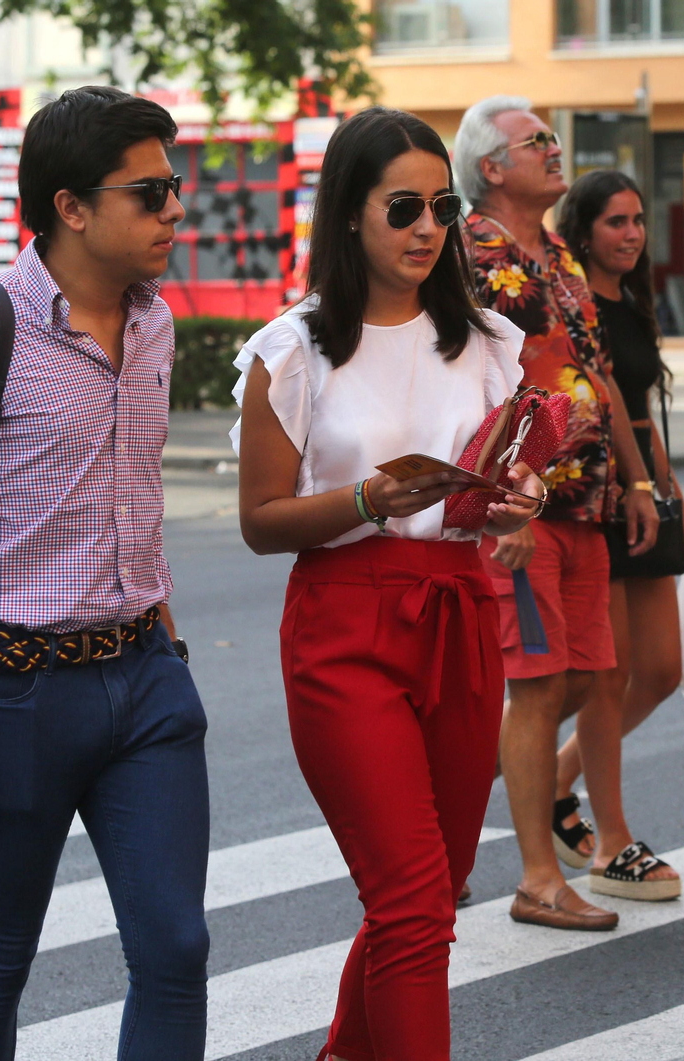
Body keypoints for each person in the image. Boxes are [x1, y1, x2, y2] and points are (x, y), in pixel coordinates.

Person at [0, 87, 211, 1060]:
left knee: (176, 945)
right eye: (149, 193)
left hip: (144, 679)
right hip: (13, 691)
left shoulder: (156, 324)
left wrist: (170, 648)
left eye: (173, 187)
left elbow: (131, 496)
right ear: (70, 205)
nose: (174, 211)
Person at [232, 105, 541, 1061]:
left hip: (460, 616)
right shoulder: (293, 350)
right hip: (344, 632)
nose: (426, 228)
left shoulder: (488, 342)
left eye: (441, 205)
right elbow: (259, 522)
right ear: (350, 212)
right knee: (410, 906)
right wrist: (368, 497)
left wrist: (516, 509)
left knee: (431, 894)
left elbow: (501, 493)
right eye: (402, 205)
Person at [454, 95, 659, 931]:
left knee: (585, 676)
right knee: (538, 685)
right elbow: (465, 379)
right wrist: (503, 500)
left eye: (551, 137)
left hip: (590, 503)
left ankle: (453, 810)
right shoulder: (468, 250)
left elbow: (600, 376)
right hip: (523, 508)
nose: (552, 148)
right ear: (491, 167)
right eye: (534, 140)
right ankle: (539, 876)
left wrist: (640, 483)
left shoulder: (564, 257)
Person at [550, 168, 684, 901]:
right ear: (584, 229)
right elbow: (594, 401)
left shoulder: (633, 303)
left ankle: (556, 775)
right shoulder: (573, 304)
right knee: (607, 674)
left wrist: (671, 493)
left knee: (662, 668)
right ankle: (612, 838)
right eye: (616, 221)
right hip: (597, 488)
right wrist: (635, 482)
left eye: (639, 219)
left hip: (642, 488)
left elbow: (639, 406)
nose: (633, 233)